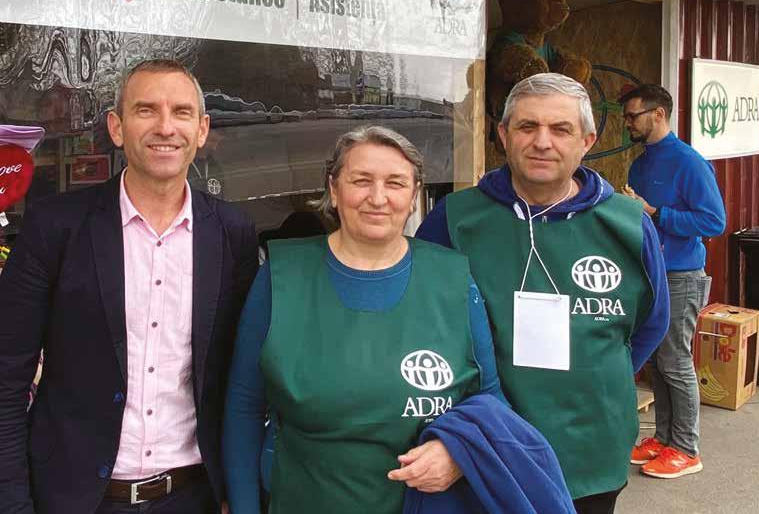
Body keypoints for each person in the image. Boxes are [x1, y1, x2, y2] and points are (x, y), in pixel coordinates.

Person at [0, 59, 259, 514]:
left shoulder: (232, 233)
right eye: (146, 110)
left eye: (181, 112)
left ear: (201, 130)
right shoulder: (55, 226)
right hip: (73, 500)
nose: (165, 127)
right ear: (117, 128)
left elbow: (242, 380)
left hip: (192, 497)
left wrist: (237, 494)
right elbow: (6, 376)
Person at [418, 73, 669, 514]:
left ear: (587, 141)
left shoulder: (628, 225)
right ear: (503, 135)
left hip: (591, 449)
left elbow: (652, 322)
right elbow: (422, 321)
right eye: (527, 126)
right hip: (489, 443)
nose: (542, 142)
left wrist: (593, 377)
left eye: (561, 129)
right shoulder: (455, 219)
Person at [222, 125, 505, 514]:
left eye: (395, 183)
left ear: (414, 194)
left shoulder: (453, 279)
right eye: (361, 181)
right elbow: (244, 406)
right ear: (334, 189)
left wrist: (459, 453)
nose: (378, 197)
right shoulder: (282, 277)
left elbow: (490, 399)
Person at [619, 83, 725, 479]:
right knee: (657, 361)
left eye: (633, 116)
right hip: (649, 275)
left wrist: (654, 212)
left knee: (675, 361)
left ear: (659, 114)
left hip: (680, 275)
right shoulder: (640, 164)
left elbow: (713, 221)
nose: (627, 123)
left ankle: (686, 448)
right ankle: (664, 438)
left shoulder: (689, 163)